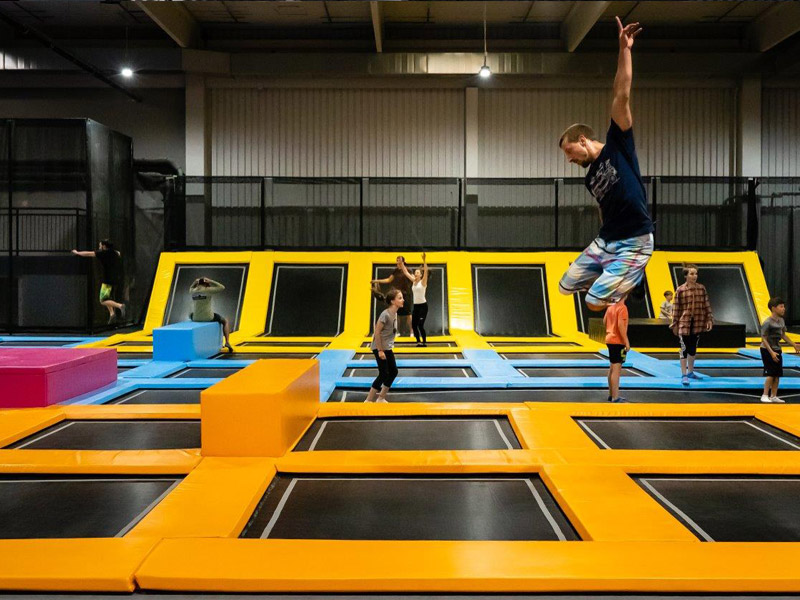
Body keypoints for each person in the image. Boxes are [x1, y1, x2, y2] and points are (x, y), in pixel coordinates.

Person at [557, 17, 653, 312]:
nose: (570, 160)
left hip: (635, 240)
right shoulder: (589, 178)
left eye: (571, 152)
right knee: (564, 286)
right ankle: (614, 275)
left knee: (594, 303)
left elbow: (621, 93)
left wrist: (624, 49)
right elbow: (603, 208)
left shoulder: (618, 143)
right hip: (606, 241)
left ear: (583, 139)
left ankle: (631, 278)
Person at [670, 264, 713, 386]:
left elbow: (706, 305)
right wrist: (674, 324)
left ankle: (690, 372)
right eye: (692, 274)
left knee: (693, 348)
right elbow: (676, 308)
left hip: (698, 322)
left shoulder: (701, 288)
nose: (695, 276)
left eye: (696, 274)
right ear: (686, 276)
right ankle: (684, 374)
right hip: (684, 323)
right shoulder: (680, 290)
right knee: (684, 348)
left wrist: (709, 319)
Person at [72, 240, 126, 325]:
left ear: (104, 246)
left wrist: (77, 253)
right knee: (107, 297)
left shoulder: (102, 254)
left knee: (102, 300)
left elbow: (88, 254)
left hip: (107, 280)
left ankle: (120, 306)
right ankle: (112, 314)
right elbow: (118, 253)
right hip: (115, 278)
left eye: (100, 246)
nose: (99, 247)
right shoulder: (115, 253)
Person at [760, 297, 800, 403]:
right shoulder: (767, 322)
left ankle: (773, 395)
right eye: (781, 307)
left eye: (784, 306)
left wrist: (794, 345)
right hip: (767, 349)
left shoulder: (781, 320)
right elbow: (763, 338)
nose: (784, 309)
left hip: (777, 349)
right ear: (773, 308)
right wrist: (771, 352)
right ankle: (764, 395)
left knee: (777, 374)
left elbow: (783, 335)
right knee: (770, 373)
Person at [366, 289, 403, 403]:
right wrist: (380, 350)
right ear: (393, 301)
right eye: (400, 298)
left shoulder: (395, 313)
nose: (403, 300)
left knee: (393, 372)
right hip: (379, 347)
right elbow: (377, 332)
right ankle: (368, 400)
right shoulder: (385, 314)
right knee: (383, 373)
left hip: (387, 347)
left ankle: (381, 397)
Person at [371, 256, 413, 336]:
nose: (397, 262)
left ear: (403, 262)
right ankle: (397, 332)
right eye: (397, 261)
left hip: (406, 294)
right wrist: (377, 280)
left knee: (408, 314)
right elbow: (389, 280)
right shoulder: (395, 271)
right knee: (397, 313)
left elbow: (412, 279)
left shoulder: (408, 270)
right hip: (397, 295)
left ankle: (412, 331)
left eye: (399, 260)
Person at [189, 277, 233, 352]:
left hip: (196, 318)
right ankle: (227, 342)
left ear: (198, 283)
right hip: (208, 317)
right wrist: (211, 281)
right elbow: (222, 287)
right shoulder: (208, 290)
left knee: (190, 314)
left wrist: (194, 282)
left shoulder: (193, 291)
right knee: (225, 321)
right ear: (206, 283)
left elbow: (190, 287)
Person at [399, 252, 430, 347]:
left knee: (420, 325)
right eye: (415, 273)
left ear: (420, 275)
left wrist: (424, 261)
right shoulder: (413, 281)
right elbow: (405, 272)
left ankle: (424, 342)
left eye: (417, 273)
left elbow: (426, 271)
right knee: (414, 325)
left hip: (423, 306)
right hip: (416, 307)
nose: (415, 274)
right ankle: (418, 341)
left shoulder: (423, 282)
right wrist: (402, 263)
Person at [604, 295, 630, 403]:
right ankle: (615, 397)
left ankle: (611, 395)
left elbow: (604, 321)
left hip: (609, 339)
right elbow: (621, 325)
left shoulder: (611, 307)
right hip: (617, 341)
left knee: (612, 368)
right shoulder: (622, 308)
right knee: (617, 369)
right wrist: (626, 341)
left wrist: (609, 330)